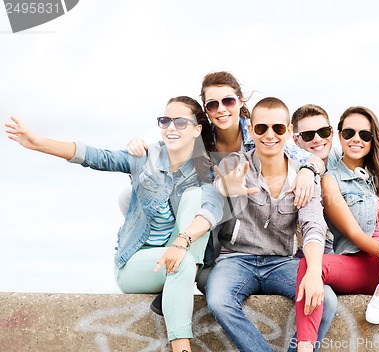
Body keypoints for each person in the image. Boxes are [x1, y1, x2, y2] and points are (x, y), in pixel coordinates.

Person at [5, 96, 224, 352]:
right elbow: (99, 157)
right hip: (137, 263)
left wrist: (181, 242)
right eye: (165, 121)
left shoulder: (206, 168)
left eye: (180, 122)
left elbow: (211, 208)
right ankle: (182, 348)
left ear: (198, 129)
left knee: (196, 200)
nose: (171, 127)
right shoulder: (146, 157)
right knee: (183, 262)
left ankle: (185, 271)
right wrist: (40, 143)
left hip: (176, 254)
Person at [126, 72, 326, 312]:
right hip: (211, 208)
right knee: (197, 197)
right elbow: (169, 146)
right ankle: (183, 274)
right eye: (212, 104)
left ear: (240, 101)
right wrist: (139, 145)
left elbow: (308, 158)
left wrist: (308, 170)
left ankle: (191, 273)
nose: (221, 109)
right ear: (206, 110)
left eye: (228, 101)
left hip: (248, 215)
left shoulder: (260, 132)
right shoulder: (202, 138)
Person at [293, 106, 379, 351]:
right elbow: (354, 234)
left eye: (364, 135)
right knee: (310, 265)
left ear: (373, 139)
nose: (356, 139)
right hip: (362, 265)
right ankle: (305, 347)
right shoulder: (330, 179)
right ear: (339, 135)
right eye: (349, 133)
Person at [206, 97, 337, 352]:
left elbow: (313, 227)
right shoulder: (235, 162)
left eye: (278, 128)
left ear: (288, 132)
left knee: (327, 300)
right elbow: (221, 182)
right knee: (219, 300)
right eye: (261, 128)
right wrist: (226, 187)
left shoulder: (304, 175)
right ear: (251, 130)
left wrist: (313, 273)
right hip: (236, 259)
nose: (269, 135)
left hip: (281, 262)